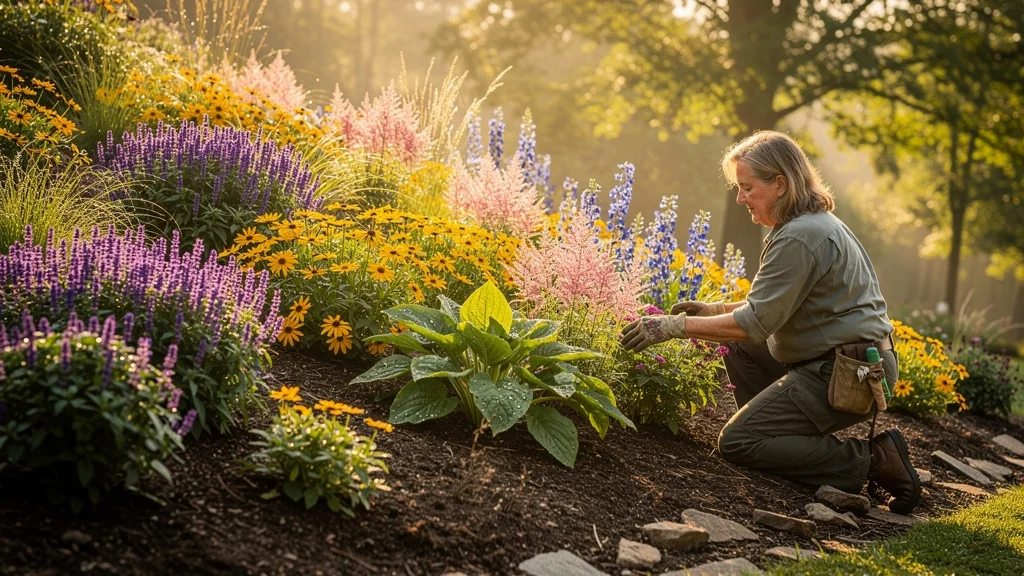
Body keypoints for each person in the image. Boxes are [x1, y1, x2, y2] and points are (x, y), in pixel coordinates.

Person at [619, 130, 921, 514]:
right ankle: (775, 440)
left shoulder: (798, 237)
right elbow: (772, 307)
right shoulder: (812, 225)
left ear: (780, 183)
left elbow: (755, 323)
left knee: (737, 443)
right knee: (740, 350)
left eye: (747, 187)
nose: (740, 197)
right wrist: (710, 310)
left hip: (848, 373)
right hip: (853, 361)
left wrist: (670, 327)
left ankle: (873, 461)